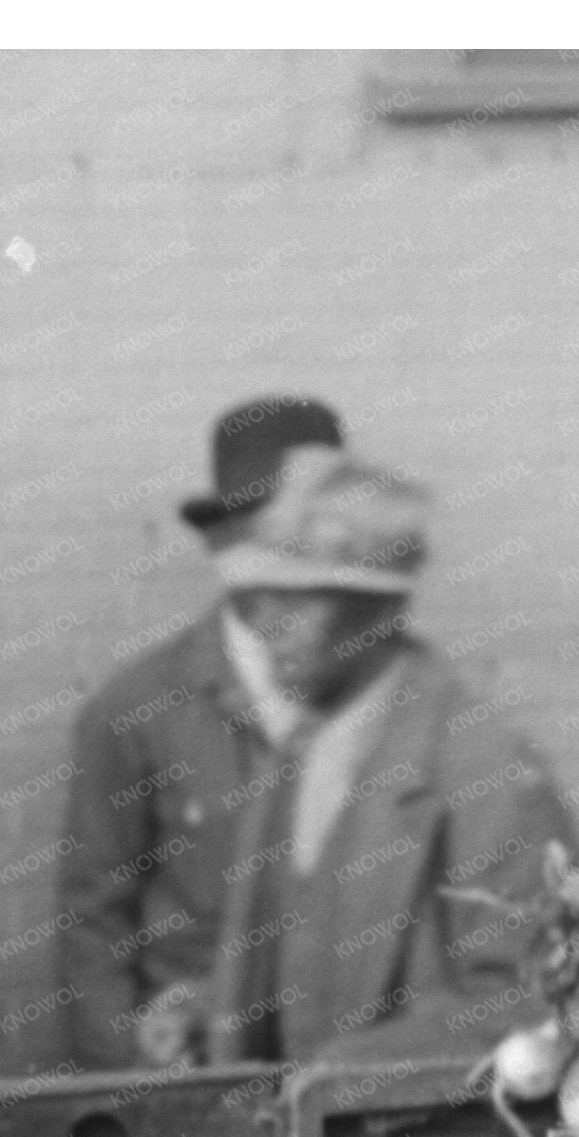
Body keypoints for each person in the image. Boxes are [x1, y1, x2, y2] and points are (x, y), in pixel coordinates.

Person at [180, 449, 579, 1064]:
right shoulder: (300, 749)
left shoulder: (486, 771)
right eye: (263, 599)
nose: (266, 627)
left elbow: (534, 1002)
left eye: (298, 602)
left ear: (379, 611)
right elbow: (300, 963)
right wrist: (208, 1013)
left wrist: (345, 1074)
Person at [50, 394, 347, 1067]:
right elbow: (92, 931)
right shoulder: (135, 711)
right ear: (224, 543)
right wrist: (135, 1097)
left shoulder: (392, 706)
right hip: (201, 1087)